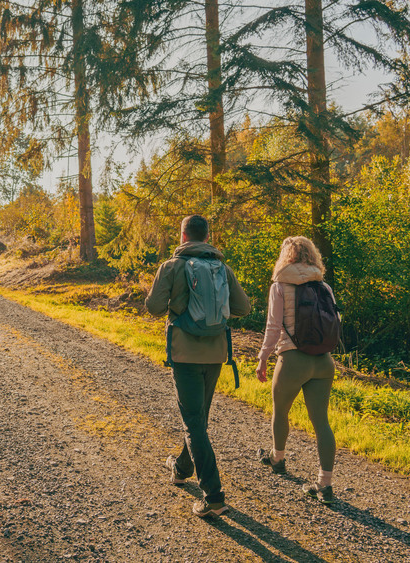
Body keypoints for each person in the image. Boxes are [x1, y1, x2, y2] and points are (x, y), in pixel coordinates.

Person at [145, 215, 251, 517]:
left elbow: (153, 308)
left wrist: (173, 303)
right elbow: (243, 308)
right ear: (207, 236)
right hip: (216, 354)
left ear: (182, 236)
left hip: (184, 354)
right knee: (198, 418)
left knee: (193, 422)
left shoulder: (171, 266)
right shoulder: (223, 268)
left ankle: (213, 496)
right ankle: (180, 468)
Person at [255, 235, 338, 503]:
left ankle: (277, 458)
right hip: (324, 361)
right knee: (321, 422)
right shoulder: (322, 284)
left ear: (286, 257)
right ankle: (325, 485)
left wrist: (263, 357)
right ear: (312, 256)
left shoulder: (280, 284)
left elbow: (273, 326)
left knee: (281, 411)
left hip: (293, 359)